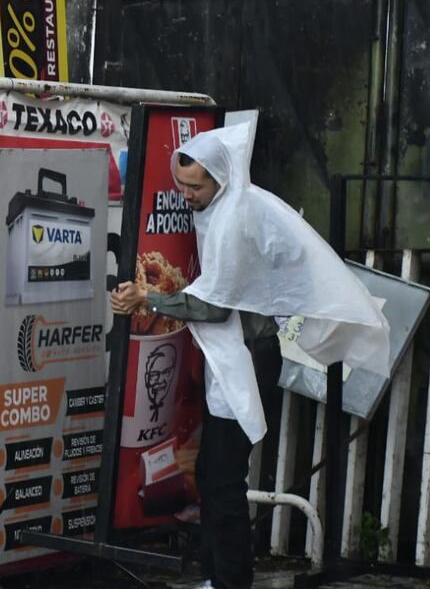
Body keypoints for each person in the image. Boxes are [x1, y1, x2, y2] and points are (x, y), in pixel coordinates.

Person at [110, 122, 389, 589]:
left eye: (195, 187)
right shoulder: (229, 207)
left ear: (220, 177)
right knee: (211, 473)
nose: (187, 196)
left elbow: (214, 306)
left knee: (223, 482)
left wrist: (148, 299)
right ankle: (218, 578)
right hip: (238, 357)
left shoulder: (235, 218)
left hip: (249, 359)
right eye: (180, 185)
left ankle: (231, 582)